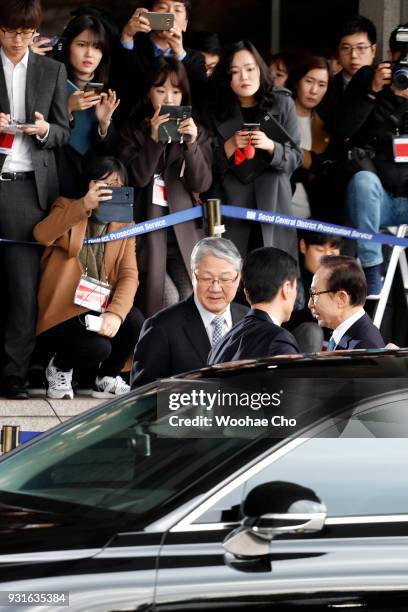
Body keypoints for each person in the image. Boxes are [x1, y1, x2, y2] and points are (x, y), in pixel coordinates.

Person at [0, 0, 70, 399]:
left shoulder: (51, 70)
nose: (17, 39)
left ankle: (15, 372)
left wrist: (44, 129)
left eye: (25, 33)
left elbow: (62, 130)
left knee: (23, 287)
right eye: (10, 31)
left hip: (29, 185)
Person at [33, 156, 140, 399]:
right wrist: (84, 205)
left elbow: (129, 275)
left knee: (135, 322)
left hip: (98, 306)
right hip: (64, 312)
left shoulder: (124, 224)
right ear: (90, 185)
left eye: (118, 186)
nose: (111, 192)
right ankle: (59, 368)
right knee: (97, 347)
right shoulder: (66, 206)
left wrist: (116, 313)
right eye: (105, 185)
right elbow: (42, 234)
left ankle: (107, 377)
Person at [120, 56, 212, 317]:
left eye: (175, 91)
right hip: (148, 232)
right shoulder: (133, 130)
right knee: (166, 298)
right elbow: (136, 178)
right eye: (161, 90)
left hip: (183, 233)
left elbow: (202, 183)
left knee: (187, 296)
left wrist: (191, 145)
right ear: (148, 93)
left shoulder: (197, 130)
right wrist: (154, 139)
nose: (169, 99)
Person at [209, 40, 302, 260]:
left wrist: (271, 146)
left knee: (275, 276)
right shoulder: (215, 109)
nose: (244, 77)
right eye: (235, 72)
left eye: (250, 69)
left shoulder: (281, 102)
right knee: (233, 276)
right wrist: (230, 145)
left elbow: (296, 158)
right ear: (226, 77)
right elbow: (205, 167)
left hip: (274, 201)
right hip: (231, 206)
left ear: (261, 69)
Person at [343, 23, 408, 297]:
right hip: (376, 200)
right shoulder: (370, 80)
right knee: (363, 181)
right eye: (401, 57)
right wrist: (374, 92)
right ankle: (371, 267)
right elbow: (345, 130)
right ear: (389, 55)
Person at [131, 237, 248, 387]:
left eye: (225, 279)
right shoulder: (161, 327)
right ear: (193, 275)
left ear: (238, 278)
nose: (216, 288)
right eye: (206, 278)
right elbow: (142, 395)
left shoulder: (251, 321)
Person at [54, 13, 120, 198]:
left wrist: (104, 124)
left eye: (97, 47)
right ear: (67, 46)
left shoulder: (110, 92)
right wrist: (66, 109)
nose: (89, 54)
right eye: (82, 45)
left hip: (92, 189)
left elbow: (113, 153)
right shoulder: (50, 83)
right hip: (56, 185)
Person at [208, 247, 300, 365]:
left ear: (246, 294)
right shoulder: (278, 339)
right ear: (286, 288)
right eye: (295, 287)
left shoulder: (220, 345)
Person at [118, 0, 207, 119]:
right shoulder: (132, 47)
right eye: (163, 8)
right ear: (149, 16)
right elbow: (124, 83)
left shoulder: (195, 58)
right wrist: (127, 36)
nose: (170, 13)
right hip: (135, 124)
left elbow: (202, 94)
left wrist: (179, 53)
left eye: (177, 10)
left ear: (185, 24)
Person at [308, 255, 385, 350]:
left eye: (315, 294)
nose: (310, 304)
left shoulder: (365, 348)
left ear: (341, 299)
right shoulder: (350, 334)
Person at [288, 56, 332, 220]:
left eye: (322, 85)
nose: (314, 90)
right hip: (277, 213)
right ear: (296, 81)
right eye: (309, 81)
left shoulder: (328, 127)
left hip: (313, 219)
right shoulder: (275, 117)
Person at [285, 232, 343, 352]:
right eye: (320, 250)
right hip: (291, 347)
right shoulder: (289, 277)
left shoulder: (342, 281)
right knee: (312, 332)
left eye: (333, 252)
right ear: (303, 246)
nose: (327, 258)